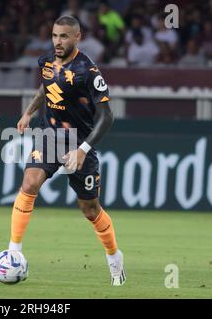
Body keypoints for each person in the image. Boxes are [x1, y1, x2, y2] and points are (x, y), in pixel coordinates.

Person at [7, 16, 125, 286]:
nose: (58, 42)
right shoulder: (46, 62)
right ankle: (14, 252)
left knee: (90, 209)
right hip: (50, 136)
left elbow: (107, 117)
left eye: (64, 37)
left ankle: (114, 256)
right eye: (55, 36)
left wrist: (83, 150)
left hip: (80, 143)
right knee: (30, 182)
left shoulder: (89, 72)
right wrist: (28, 112)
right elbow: (46, 89)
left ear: (77, 37)